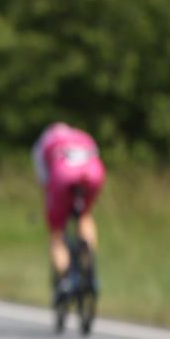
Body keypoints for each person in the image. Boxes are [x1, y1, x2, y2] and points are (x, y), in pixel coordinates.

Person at [31, 122, 106, 302]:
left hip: (63, 176)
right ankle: (89, 266)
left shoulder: (43, 143)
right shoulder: (83, 135)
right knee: (85, 216)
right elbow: (96, 157)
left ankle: (64, 280)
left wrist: (53, 208)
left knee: (57, 233)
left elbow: (45, 182)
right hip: (92, 174)